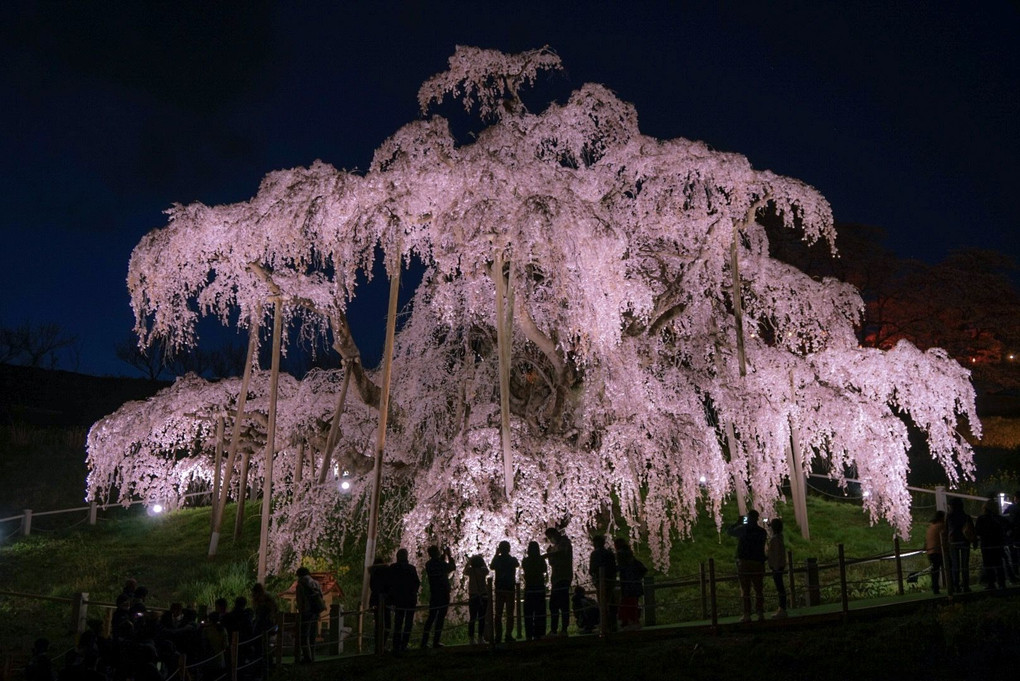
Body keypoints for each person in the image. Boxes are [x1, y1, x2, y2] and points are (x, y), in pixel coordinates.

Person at [727, 509, 768, 623]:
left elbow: (729, 532)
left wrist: (738, 523)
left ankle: (747, 614)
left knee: (745, 590)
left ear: (748, 518)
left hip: (744, 562)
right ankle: (760, 613)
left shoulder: (743, 530)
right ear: (757, 518)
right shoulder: (762, 532)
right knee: (759, 589)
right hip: (757, 562)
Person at [421, 545, 455, 648]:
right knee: (440, 618)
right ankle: (436, 641)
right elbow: (452, 567)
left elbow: (440, 565)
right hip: (443, 593)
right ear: (437, 553)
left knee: (431, 617)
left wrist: (443, 556)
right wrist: (449, 555)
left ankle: (424, 642)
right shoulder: (441, 564)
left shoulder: (429, 564)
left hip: (434, 593)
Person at [388, 548, 420, 654]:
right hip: (410, 599)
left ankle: (396, 646)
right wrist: (413, 593)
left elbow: (390, 584)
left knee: (398, 622)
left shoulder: (393, 568)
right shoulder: (411, 568)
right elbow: (416, 583)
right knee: (408, 623)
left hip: (398, 600)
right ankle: (404, 645)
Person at [544, 527, 573, 636]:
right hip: (556, 578)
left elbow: (561, 554)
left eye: (550, 537)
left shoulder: (565, 543)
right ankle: (555, 629)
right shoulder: (554, 547)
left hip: (563, 577)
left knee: (562, 603)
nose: (550, 540)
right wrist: (549, 555)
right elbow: (552, 563)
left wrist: (548, 555)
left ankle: (562, 629)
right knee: (554, 604)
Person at [490, 540, 520, 643]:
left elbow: (491, 566)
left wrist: (496, 554)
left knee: (498, 614)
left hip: (500, 588)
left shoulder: (497, 560)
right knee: (509, 613)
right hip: (510, 589)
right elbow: (517, 564)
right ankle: (508, 635)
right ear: (509, 549)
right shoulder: (512, 560)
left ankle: (498, 636)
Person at [614, 538, 647, 630]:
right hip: (635, 582)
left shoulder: (621, 554)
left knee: (626, 601)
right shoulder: (630, 555)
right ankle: (633, 620)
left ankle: (627, 621)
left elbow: (621, 567)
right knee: (633, 602)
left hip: (627, 583)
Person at [974, 498, 1007, 590]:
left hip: (986, 544)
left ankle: (991, 583)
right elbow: (1006, 528)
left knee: (988, 564)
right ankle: (1002, 583)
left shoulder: (981, 519)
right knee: (998, 563)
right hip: (997, 543)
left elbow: (977, 531)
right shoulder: (999, 518)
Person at [295, 567, 325, 662]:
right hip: (315, 611)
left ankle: (307, 657)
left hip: (306, 612)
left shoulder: (300, 585)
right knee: (312, 635)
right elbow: (320, 596)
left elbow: (300, 601)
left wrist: (300, 611)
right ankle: (313, 656)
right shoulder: (315, 583)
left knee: (304, 635)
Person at [946, 497, 976, 593]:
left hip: (953, 542)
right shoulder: (966, 516)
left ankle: (956, 586)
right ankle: (966, 586)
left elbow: (946, 530)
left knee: (955, 565)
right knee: (964, 565)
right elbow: (972, 529)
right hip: (964, 541)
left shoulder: (949, 517)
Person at [588, 534, 617, 631]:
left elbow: (592, 569)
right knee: (610, 601)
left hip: (600, 580)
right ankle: (611, 623)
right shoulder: (609, 553)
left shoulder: (595, 554)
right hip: (610, 580)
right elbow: (614, 567)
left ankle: (604, 623)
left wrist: (594, 576)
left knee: (602, 602)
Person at [521, 541, 548, 641]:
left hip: (529, 588)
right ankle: (540, 633)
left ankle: (529, 634)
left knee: (528, 613)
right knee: (540, 612)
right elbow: (544, 570)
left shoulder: (526, 561)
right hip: (539, 588)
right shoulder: (541, 560)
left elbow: (525, 570)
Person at [463, 554, 490, 645]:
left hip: (473, 596)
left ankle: (471, 638)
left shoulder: (470, 571)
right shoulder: (483, 571)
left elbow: (464, 571)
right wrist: (483, 561)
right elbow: (487, 570)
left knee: (472, 617)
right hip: (483, 596)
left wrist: (469, 562)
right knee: (481, 617)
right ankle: (480, 638)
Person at [368, 556, 392, 650]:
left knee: (378, 624)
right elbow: (389, 585)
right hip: (385, 600)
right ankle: (382, 645)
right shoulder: (386, 572)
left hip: (375, 600)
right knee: (387, 624)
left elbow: (372, 587)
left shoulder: (373, 573)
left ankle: (378, 645)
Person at [766, 518, 789, 618]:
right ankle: (782, 608)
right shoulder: (779, 537)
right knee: (780, 588)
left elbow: (776, 554)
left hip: (777, 567)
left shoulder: (775, 539)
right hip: (779, 565)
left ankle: (782, 609)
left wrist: (774, 567)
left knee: (780, 588)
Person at [924, 510, 948, 595]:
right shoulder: (941, 526)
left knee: (935, 570)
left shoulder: (931, 526)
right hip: (938, 551)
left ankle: (935, 587)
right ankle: (950, 586)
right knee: (947, 567)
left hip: (930, 551)